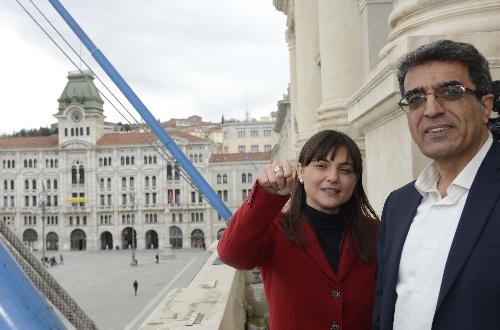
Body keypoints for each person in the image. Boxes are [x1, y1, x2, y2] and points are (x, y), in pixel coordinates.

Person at [373, 39, 500, 329]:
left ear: (485, 106)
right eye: (416, 98)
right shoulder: (398, 205)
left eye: (450, 92)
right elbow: (385, 306)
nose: (431, 110)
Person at [218, 130, 379, 329]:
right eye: (321, 166)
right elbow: (232, 254)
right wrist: (267, 196)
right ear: (300, 172)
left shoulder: (376, 233)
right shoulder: (276, 230)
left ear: (355, 180)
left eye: (345, 170)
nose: (333, 177)